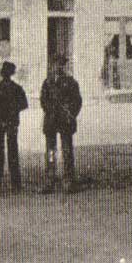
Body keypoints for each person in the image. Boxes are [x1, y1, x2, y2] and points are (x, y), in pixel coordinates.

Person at [39, 56, 82, 194]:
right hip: (51, 121)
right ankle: (50, 178)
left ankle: (68, 180)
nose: (58, 67)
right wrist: (50, 110)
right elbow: (43, 100)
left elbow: (77, 101)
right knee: (51, 151)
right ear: (52, 66)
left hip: (65, 121)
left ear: (65, 66)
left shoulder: (71, 82)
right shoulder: (48, 82)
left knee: (67, 150)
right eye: (56, 64)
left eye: (61, 65)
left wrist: (71, 114)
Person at [0, 62, 28, 192]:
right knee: (12, 150)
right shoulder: (17, 88)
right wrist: (12, 112)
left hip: (0, 123)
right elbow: (23, 104)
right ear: (12, 74)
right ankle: (15, 182)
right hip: (11, 122)